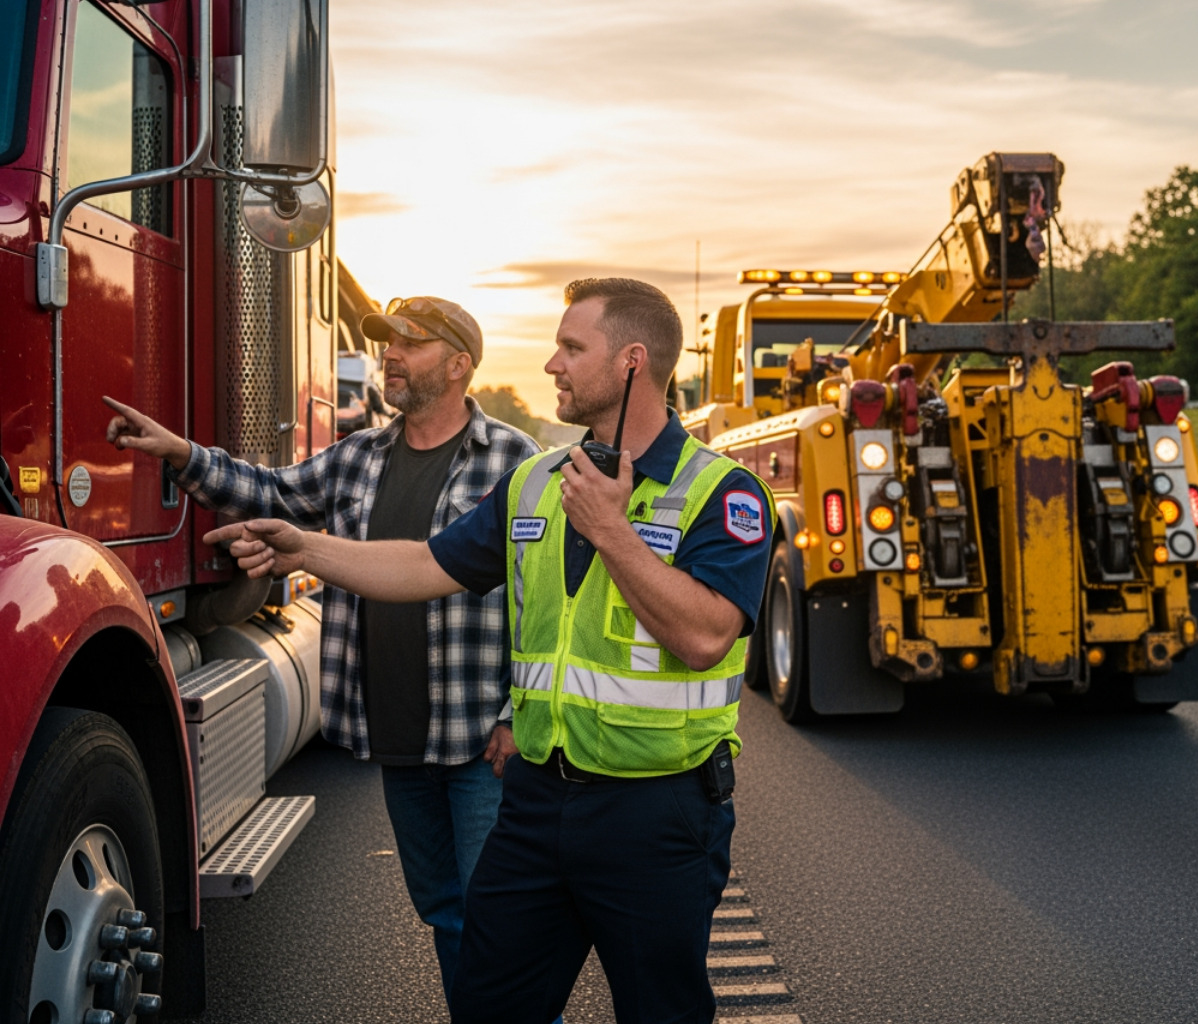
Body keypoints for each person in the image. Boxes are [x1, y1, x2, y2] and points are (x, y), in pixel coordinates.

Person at [205, 278, 775, 1024]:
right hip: (538, 802)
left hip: (657, 811)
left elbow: (705, 637)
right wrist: (303, 545)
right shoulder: (535, 482)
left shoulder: (721, 492)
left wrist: (612, 532)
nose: (552, 365)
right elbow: (422, 565)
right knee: (488, 1002)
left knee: (659, 1009)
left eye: (573, 348)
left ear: (633, 362)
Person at [104, 296, 540, 999]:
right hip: (398, 736)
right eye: (386, 342)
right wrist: (181, 454)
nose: (389, 354)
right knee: (445, 914)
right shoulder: (360, 456)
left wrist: (523, 712)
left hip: (479, 740)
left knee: (500, 919)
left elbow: (543, 600)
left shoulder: (515, 461)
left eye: (410, 342)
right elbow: (271, 491)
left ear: (459, 365)